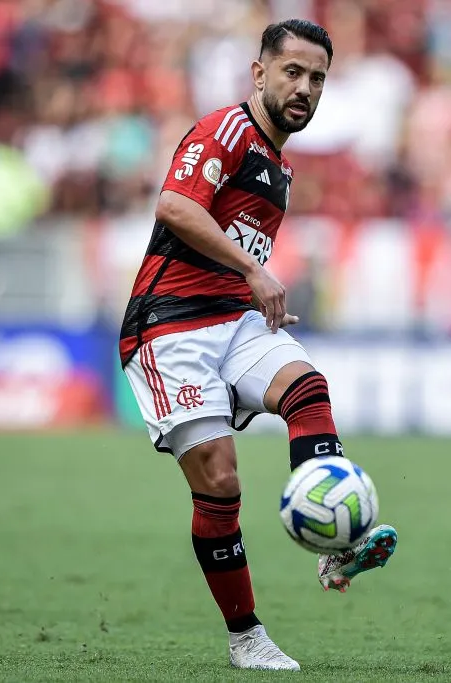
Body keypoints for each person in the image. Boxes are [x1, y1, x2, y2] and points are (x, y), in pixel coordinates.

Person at [118, 19, 397, 672]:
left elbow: (236, 251)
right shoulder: (225, 131)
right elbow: (174, 207)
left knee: (308, 388)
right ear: (260, 72)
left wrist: (250, 285)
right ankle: (246, 636)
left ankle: (333, 542)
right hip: (167, 326)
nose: (305, 88)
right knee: (220, 479)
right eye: (293, 72)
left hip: (231, 318)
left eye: (318, 77)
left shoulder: (280, 165)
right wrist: (255, 272)